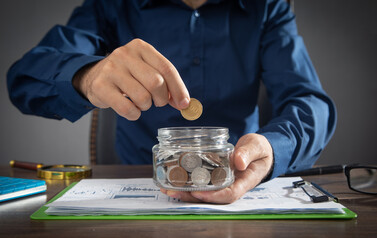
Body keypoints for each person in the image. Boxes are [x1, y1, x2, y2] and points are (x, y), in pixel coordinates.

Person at [7, 0, 336, 203]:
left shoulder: (266, 6)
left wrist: (273, 148)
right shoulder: (113, 4)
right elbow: (23, 77)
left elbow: (310, 102)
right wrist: (87, 76)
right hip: (135, 186)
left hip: (233, 173)